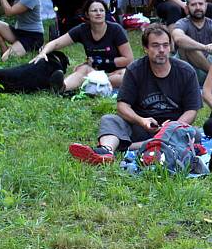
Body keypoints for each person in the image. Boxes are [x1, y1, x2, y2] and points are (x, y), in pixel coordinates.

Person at [68, 25, 201, 164]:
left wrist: (173, 127)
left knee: (194, 134)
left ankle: (135, 146)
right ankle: (106, 151)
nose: (161, 50)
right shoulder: (135, 70)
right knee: (110, 119)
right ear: (145, 48)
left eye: (165, 45)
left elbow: (192, 110)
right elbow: (122, 106)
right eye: (155, 45)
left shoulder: (186, 71)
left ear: (170, 47)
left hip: (175, 128)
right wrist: (141, 120)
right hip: (142, 128)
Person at [34, 0, 133, 92]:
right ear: (87, 14)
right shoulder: (82, 30)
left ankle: (93, 82)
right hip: (93, 71)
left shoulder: (115, 29)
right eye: (94, 10)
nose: (98, 13)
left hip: (116, 72)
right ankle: (62, 87)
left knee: (126, 76)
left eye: (101, 10)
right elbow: (57, 43)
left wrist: (102, 62)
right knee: (83, 70)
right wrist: (43, 52)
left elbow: (128, 59)